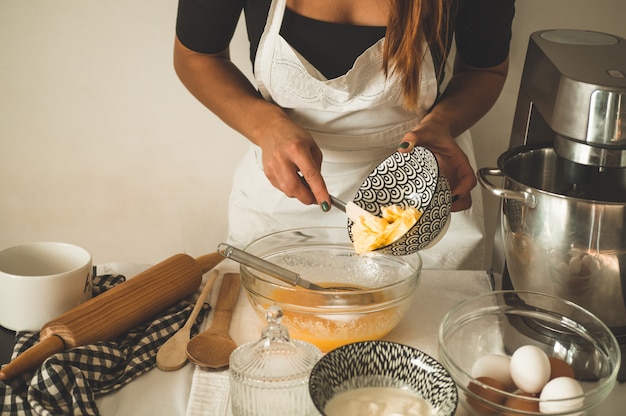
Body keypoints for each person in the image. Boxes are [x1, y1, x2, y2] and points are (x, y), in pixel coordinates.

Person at [174, 0, 515, 269]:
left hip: (419, 201)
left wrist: (443, 124)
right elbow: (195, 56)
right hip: (282, 201)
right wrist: (265, 125)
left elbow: (485, 69)